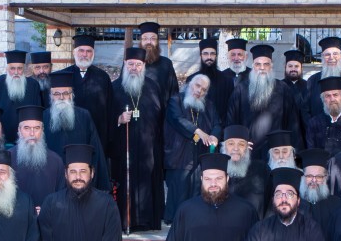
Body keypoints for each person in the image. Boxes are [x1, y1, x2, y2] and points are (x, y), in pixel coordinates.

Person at [113, 47, 166, 230]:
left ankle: (147, 221)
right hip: (123, 147)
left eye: (138, 64)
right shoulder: (114, 88)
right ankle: (125, 221)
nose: (134, 68)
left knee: (148, 181)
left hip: (148, 148)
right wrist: (118, 119)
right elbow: (105, 117)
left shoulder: (153, 87)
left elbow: (161, 117)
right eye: (130, 64)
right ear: (124, 64)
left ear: (143, 65)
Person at [164, 73, 220, 223]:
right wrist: (198, 132)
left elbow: (217, 124)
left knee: (196, 190)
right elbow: (178, 120)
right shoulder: (176, 100)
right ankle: (176, 222)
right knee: (179, 191)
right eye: (197, 86)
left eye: (204, 89)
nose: (199, 91)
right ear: (190, 84)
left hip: (199, 155)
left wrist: (214, 136)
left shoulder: (208, 105)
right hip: (179, 155)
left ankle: (193, 221)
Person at [230, 44, 303, 154]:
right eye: (258, 64)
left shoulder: (283, 89)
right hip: (248, 151)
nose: (262, 68)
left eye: (266, 64)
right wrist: (239, 141)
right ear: (253, 66)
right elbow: (232, 120)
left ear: (271, 66)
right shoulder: (241, 89)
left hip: (276, 151)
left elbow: (293, 123)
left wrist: (295, 153)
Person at [58, 34, 117, 162]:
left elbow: (111, 109)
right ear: (74, 52)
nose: (84, 54)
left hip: (97, 135)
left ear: (93, 54)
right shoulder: (63, 77)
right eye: (81, 50)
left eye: (88, 51)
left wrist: (110, 139)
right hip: (70, 135)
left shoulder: (103, 77)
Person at [10, 107, 66, 206]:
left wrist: (46, 210)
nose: (32, 133)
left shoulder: (56, 161)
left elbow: (61, 197)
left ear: (42, 130)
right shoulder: (7, 159)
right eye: (27, 128)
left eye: (36, 128)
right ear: (19, 130)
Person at [0, 50, 46, 140]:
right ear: (7, 69)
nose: (16, 72)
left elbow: (37, 112)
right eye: (12, 68)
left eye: (19, 68)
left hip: (27, 137)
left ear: (24, 69)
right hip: (3, 137)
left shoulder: (33, 85)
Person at [223, 126, 271, 216]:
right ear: (224, 147)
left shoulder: (261, 169)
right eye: (231, 144)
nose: (236, 148)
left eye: (241, 144)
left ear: (247, 148)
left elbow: (270, 203)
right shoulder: (216, 171)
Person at [304, 76, 341, 155]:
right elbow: (312, 151)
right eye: (328, 96)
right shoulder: (314, 123)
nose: (332, 99)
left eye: (335, 95)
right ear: (323, 100)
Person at [195, 37, 237, 119]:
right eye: (205, 54)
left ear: (216, 56)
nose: (209, 57)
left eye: (212, 54)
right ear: (200, 55)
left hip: (221, 125)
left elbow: (230, 110)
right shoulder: (192, 80)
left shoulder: (227, 80)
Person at [137, 21, 178, 96]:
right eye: (145, 38)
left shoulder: (166, 63)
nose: (149, 42)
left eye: (153, 39)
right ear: (141, 41)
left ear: (157, 41)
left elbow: (174, 93)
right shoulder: (131, 63)